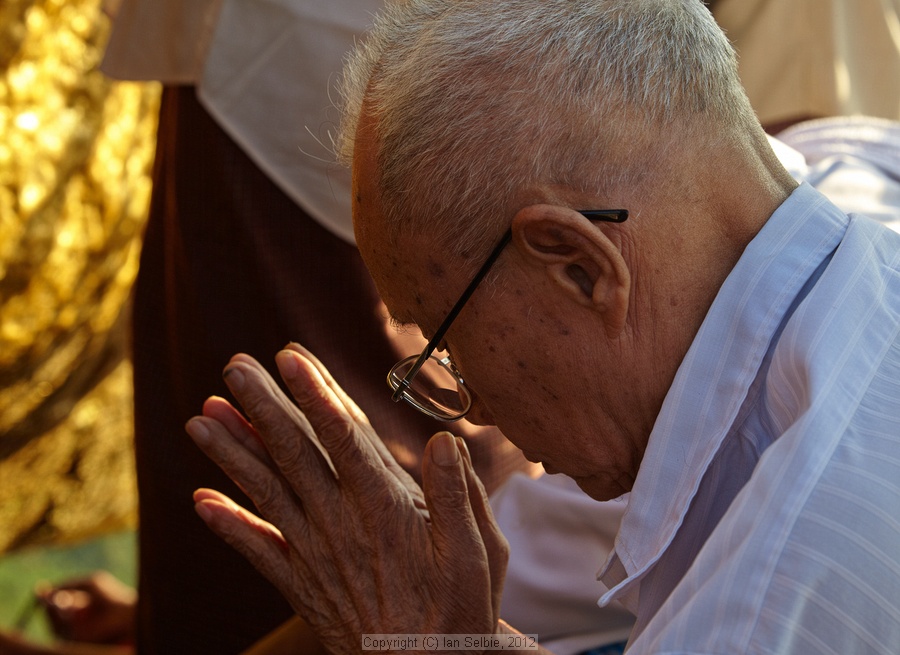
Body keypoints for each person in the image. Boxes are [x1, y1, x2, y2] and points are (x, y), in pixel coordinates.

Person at [183, 0, 900, 653]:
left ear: (581, 268)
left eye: (445, 341)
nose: (480, 413)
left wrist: (426, 647)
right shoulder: (860, 246)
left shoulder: (772, 597)